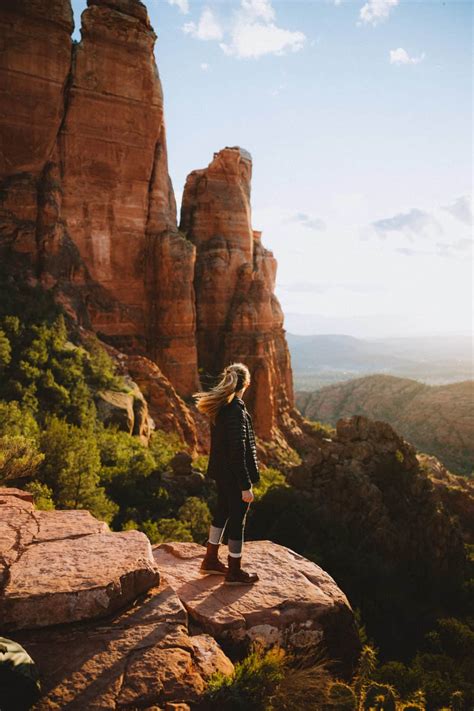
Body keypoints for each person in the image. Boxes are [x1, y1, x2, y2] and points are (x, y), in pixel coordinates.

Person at [193, 362, 260, 585]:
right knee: (237, 520)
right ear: (247, 384)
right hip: (234, 475)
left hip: (221, 473)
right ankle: (234, 572)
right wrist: (245, 485)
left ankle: (210, 560)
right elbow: (237, 452)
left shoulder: (221, 407)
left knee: (221, 512)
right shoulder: (236, 411)